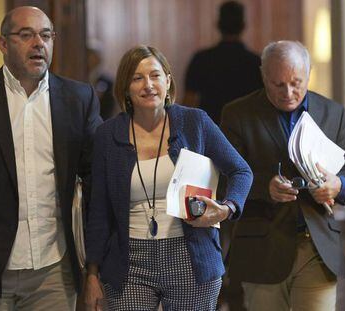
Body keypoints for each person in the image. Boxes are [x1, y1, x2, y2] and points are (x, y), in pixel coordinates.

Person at [0, 6, 102, 310]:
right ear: (3, 44)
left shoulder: (78, 99)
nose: (38, 43)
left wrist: (94, 264)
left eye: (45, 35)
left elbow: (96, 172)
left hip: (53, 271)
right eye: (26, 35)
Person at [83, 45, 253, 311]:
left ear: (168, 81)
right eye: (137, 78)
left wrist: (227, 208)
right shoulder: (108, 135)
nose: (148, 85)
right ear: (126, 87)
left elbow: (241, 171)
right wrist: (92, 274)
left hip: (190, 257)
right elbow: (99, 211)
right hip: (129, 263)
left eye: (155, 76)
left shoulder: (195, 122)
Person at [221, 40, 345, 311]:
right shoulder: (237, 114)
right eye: (278, 84)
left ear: (309, 74)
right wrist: (263, 186)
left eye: (296, 82)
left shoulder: (333, 112)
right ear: (263, 76)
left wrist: (337, 185)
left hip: (318, 246)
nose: (289, 92)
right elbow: (224, 179)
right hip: (263, 249)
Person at [183, 0, 263, 125]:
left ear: (218, 25)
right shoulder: (256, 62)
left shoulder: (201, 60)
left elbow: (188, 104)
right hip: (246, 132)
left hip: (209, 132)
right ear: (243, 25)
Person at [87, 47, 118, 120]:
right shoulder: (78, 77)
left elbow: (110, 108)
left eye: (95, 57)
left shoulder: (108, 81)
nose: (92, 60)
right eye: (89, 56)